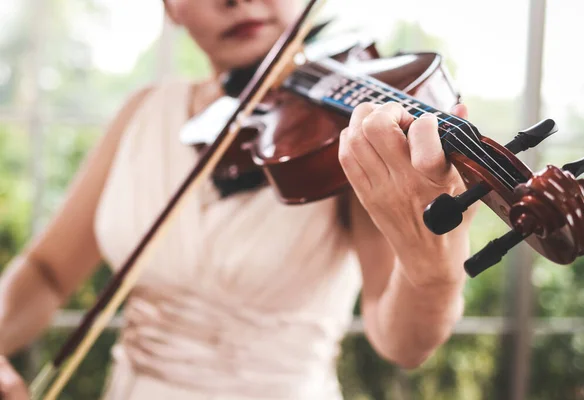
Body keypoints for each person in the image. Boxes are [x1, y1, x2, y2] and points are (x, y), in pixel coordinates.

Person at [0, 0, 475, 399]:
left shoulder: (348, 133)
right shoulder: (143, 115)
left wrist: (432, 272)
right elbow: (47, 271)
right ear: (170, 7)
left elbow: (402, 344)